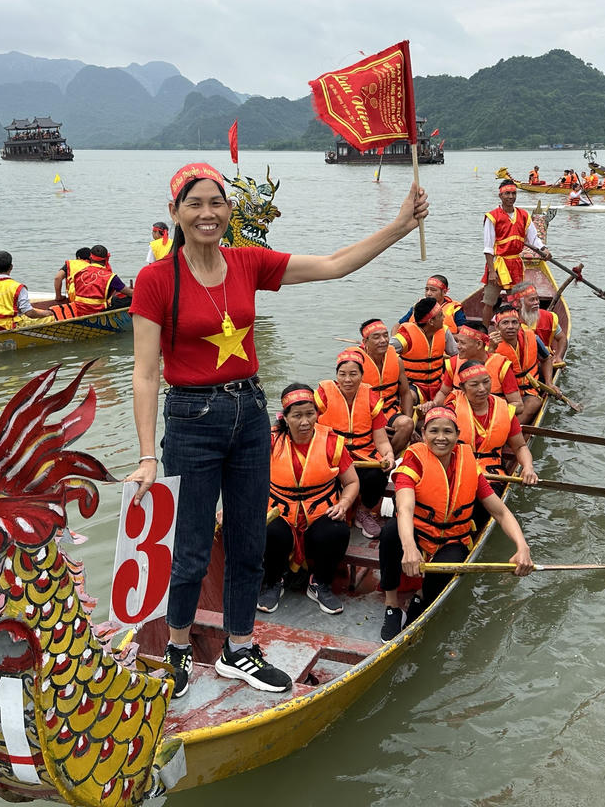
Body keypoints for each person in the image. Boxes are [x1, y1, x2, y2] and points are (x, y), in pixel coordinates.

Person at [126, 161, 428, 698]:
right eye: (193, 204)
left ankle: (239, 649)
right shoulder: (156, 279)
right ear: (174, 212)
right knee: (193, 545)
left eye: (216, 203)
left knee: (247, 541)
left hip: (249, 412)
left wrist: (399, 227)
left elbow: (334, 264)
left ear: (228, 210)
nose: (207, 213)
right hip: (191, 420)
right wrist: (149, 454)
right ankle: (175, 648)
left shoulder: (248, 264)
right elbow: (146, 373)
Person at [377, 407, 534, 641]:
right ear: (423, 433)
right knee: (390, 533)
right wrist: (409, 546)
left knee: (449, 565)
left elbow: (500, 512)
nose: (441, 437)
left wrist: (522, 547)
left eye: (448, 431)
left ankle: (421, 596)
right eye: (434, 431)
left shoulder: (469, 465)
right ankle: (392, 604)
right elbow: (405, 507)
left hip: (452, 537)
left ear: (458, 434)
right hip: (417, 532)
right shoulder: (414, 459)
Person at [259, 383, 359, 616]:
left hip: (319, 514)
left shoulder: (331, 442)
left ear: (317, 414)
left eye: (310, 414)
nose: (305, 422)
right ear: (285, 418)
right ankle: (273, 581)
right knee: (267, 529)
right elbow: (246, 479)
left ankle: (320, 583)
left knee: (338, 531)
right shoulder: (270, 442)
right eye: (297, 416)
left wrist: (343, 504)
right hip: (280, 513)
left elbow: (352, 482)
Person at [315, 347, 394, 539]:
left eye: (353, 374)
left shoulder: (370, 397)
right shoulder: (323, 394)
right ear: (336, 375)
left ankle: (364, 511)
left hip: (363, 456)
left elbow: (381, 439)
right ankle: (330, 512)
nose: (347, 380)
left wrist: (389, 455)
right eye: (342, 374)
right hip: (332, 454)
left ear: (362, 375)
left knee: (379, 473)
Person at [450, 360, 537, 482]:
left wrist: (528, 467)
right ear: (462, 388)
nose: (482, 389)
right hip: (458, 471)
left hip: (492, 474)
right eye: (474, 385)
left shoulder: (504, 409)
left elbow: (520, 446)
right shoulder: (451, 409)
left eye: (486, 382)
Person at [482, 179, 551, 324]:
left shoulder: (524, 215)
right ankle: (484, 331)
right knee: (489, 301)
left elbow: (533, 238)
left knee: (518, 301)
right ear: (500, 196)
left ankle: (520, 330)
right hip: (498, 265)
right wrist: (492, 271)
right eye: (507, 193)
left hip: (515, 264)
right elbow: (488, 247)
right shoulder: (492, 217)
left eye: (513, 193)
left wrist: (544, 249)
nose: (511, 197)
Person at [358, 318, 416, 455]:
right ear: (365, 342)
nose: (383, 340)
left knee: (407, 423)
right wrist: (377, 426)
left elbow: (405, 393)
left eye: (385, 335)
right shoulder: (356, 364)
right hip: (365, 415)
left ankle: (389, 459)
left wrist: (412, 428)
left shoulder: (396, 360)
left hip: (389, 411)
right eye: (376, 337)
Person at [434, 323, 522, 409]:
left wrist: (492, 411)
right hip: (460, 418)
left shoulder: (502, 366)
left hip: (491, 421)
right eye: (458, 341)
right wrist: (434, 405)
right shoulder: (453, 362)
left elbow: (518, 405)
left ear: (479, 344)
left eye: (462, 343)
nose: (458, 346)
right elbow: (443, 392)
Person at [393, 296, 455, 405]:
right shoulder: (406, 336)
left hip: (439, 383)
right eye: (441, 315)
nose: (444, 317)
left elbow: (456, 354)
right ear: (431, 321)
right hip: (413, 385)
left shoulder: (444, 331)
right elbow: (385, 352)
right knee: (409, 398)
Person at [489, 305, 544, 420]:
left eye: (514, 322)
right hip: (505, 395)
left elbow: (547, 359)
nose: (511, 327)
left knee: (534, 402)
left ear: (519, 325)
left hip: (530, 390)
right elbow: (486, 374)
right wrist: (491, 350)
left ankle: (514, 431)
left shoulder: (532, 337)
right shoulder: (489, 347)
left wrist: (549, 383)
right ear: (497, 326)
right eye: (505, 323)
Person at [0, 251, 54, 329]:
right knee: (50, 318)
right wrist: (45, 313)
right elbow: (29, 313)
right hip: (11, 325)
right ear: (11, 267)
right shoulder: (18, 287)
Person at [71, 246, 133, 313]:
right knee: (130, 299)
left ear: (90, 257)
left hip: (80, 309)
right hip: (98, 310)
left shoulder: (79, 272)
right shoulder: (111, 277)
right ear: (106, 258)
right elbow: (131, 293)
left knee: (115, 299)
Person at [397, 275, 465, 331]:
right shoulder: (419, 306)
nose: (428, 293)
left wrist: (446, 336)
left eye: (433, 290)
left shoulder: (454, 308)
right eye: (426, 289)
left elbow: (462, 333)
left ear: (444, 292)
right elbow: (397, 326)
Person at [51, 247, 91, 318]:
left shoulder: (71, 264)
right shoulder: (95, 266)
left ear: (78, 257)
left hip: (75, 297)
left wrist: (58, 297)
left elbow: (57, 278)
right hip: (93, 299)